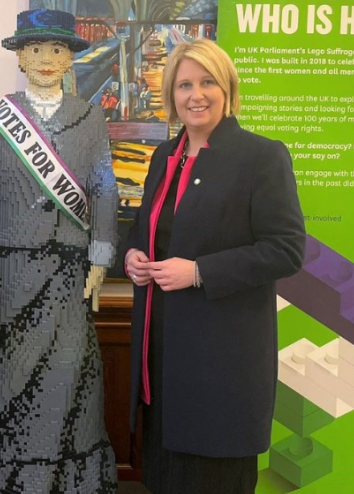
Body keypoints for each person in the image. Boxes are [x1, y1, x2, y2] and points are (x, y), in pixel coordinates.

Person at [124, 39, 305, 494]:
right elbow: (153, 228)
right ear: (171, 95)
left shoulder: (262, 156)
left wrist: (199, 271)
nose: (195, 94)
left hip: (220, 364)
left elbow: (286, 249)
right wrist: (133, 255)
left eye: (207, 82)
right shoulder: (165, 156)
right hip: (161, 356)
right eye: (184, 84)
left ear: (227, 89)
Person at [0, 9, 119, 494]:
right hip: (14, 267)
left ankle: (64, 478)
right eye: (37, 49)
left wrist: (100, 257)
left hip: (69, 271)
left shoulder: (90, 119)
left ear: (70, 60)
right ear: (21, 57)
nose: (47, 59)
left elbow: (104, 188)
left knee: (66, 372)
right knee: (6, 372)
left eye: (58, 49)